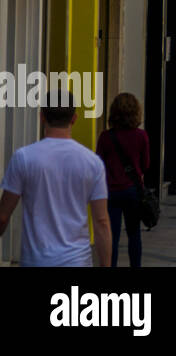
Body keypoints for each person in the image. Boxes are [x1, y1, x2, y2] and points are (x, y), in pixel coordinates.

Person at [0, 99, 110, 267]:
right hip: (77, 261)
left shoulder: (24, 157)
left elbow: (3, 216)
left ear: (42, 117)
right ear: (74, 119)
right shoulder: (92, 163)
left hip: (36, 260)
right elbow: (101, 221)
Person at [94, 92, 151, 268]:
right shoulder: (141, 136)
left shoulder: (106, 137)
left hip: (111, 191)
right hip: (133, 191)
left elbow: (99, 164)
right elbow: (146, 165)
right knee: (134, 235)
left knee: (113, 236)